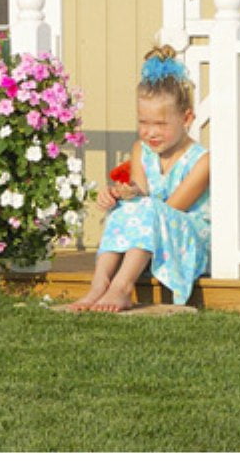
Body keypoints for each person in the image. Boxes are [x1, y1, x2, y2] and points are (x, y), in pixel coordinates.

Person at [67, 45, 210, 313]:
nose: (151, 132)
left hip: (187, 239)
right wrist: (123, 193)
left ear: (187, 118)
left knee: (143, 207)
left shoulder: (202, 161)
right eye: (144, 123)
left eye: (161, 124)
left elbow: (170, 209)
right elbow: (141, 193)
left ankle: (121, 287)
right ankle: (100, 283)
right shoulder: (140, 150)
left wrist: (137, 199)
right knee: (125, 207)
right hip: (151, 230)